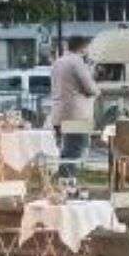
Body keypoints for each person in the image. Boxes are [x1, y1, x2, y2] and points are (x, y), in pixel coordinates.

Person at [48, 35, 98, 180]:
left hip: (58, 113)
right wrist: (97, 90)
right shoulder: (77, 62)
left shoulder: (58, 62)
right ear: (82, 48)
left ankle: (63, 180)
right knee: (75, 150)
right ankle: (66, 182)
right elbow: (90, 88)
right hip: (76, 115)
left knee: (67, 148)